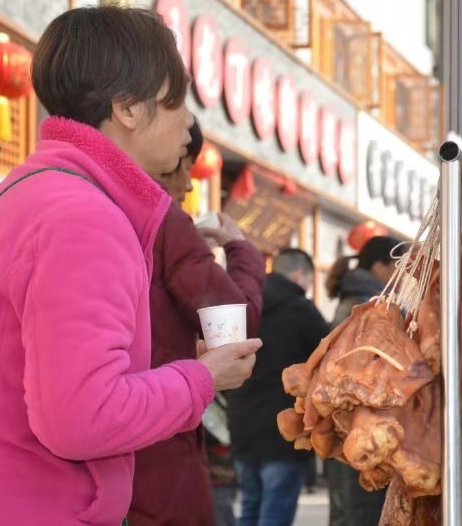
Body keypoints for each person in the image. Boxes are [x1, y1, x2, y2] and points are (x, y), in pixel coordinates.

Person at [0, 7, 260, 525]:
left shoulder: (24, 192)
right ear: (128, 108)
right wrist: (201, 378)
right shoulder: (84, 215)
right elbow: (81, 417)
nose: (190, 121)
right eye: (179, 99)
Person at [128, 120, 266, 525]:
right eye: (182, 163)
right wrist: (241, 250)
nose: (188, 183)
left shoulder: (76, 201)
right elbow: (234, 323)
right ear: (130, 113)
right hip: (157, 436)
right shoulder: (163, 218)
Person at [227, 248, 330, 526]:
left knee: (250, 507)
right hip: (283, 428)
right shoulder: (301, 309)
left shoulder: (244, 305)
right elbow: (329, 355)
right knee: (275, 511)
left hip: (241, 424)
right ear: (299, 275)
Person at [324, 236, 405, 526]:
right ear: (381, 266)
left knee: (347, 512)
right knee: (360, 513)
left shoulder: (357, 299)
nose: (402, 275)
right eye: (399, 267)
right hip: (359, 424)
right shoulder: (368, 305)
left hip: (349, 426)